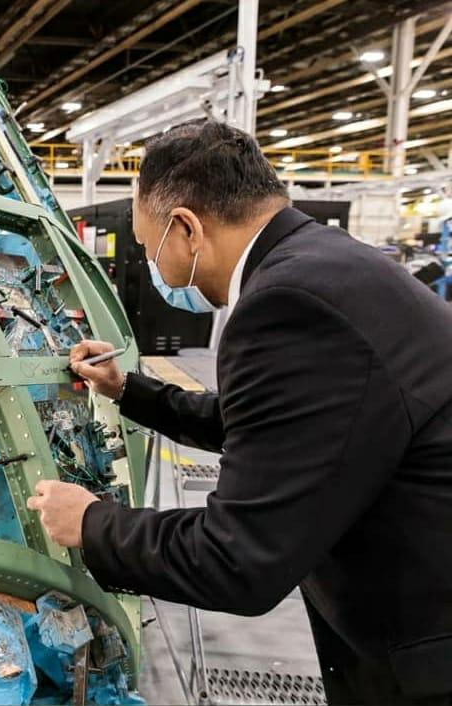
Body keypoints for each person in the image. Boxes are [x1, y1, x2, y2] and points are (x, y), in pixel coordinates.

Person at [25, 119, 452, 705]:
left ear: (186, 229)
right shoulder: (328, 264)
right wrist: (128, 390)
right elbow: (273, 426)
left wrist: (93, 522)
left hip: (426, 655)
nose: (152, 265)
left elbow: (238, 558)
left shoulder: (286, 304)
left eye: (148, 248)